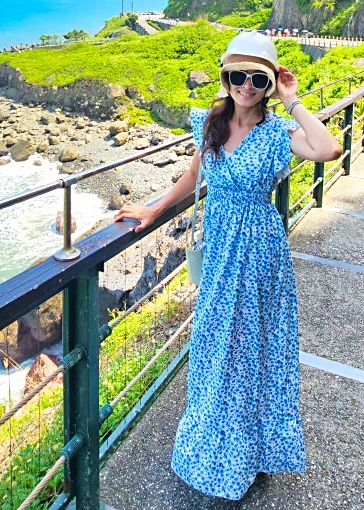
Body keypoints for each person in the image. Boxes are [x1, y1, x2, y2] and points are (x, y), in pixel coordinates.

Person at [115, 31, 343, 500]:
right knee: (216, 348)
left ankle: (247, 453)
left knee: (251, 352)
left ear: (268, 81)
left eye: (256, 78)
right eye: (237, 76)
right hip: (220, 251)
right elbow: (196, 174)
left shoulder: (279, 133)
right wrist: (155, 210)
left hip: (259, 255)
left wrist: (292, 99)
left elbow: (328, 149)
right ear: (225, 77)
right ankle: (212, 449)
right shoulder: (212, 123)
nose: (245, 86)